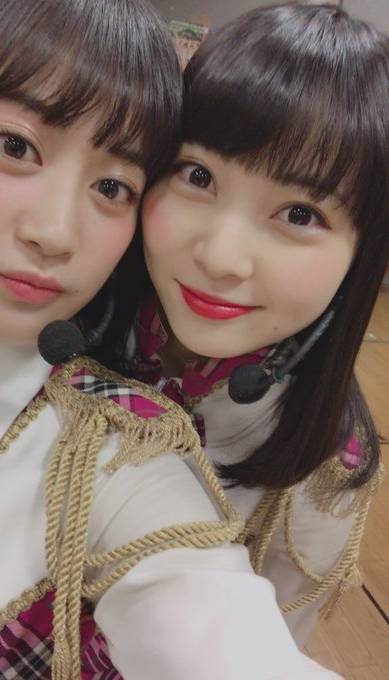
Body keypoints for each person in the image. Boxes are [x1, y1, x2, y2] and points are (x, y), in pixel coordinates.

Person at [0, 1, 346, 679]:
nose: (56, 233)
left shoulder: (117, 456)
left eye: (111, 186)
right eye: (15, 146)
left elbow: (216, 630)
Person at [87, 1, 388, 670]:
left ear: (364, 254)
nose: (222, 257)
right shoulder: (78, 315)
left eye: (300, 214)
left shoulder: (322, 474)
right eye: (198, 176)